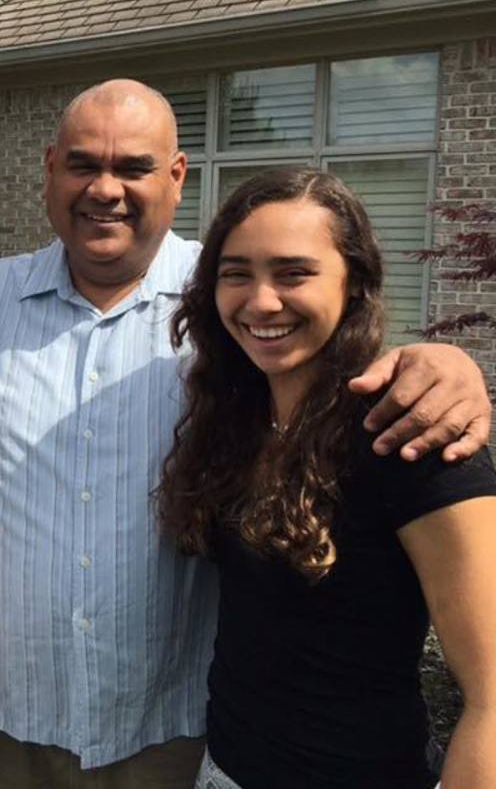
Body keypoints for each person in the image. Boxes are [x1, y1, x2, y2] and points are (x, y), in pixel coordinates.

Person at [0, 80, 493, 788]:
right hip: (15, 721)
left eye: (134, 167)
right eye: (84, 164)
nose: (105, 188)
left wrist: (449, 361)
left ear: (177, 176)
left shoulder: (223, 300)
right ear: (50, 169)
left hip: (170, 733)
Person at [156, 168, 496, 788]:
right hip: (223, 770)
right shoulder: (236, 417)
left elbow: (492, 699)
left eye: (294, 273)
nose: (261, 301)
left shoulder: (410, 437)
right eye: (237, 273)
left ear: (355, 282)